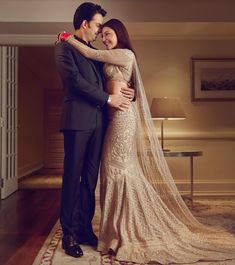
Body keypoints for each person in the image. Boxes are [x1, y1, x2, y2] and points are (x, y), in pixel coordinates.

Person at [58, 19, 235, 264]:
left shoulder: (124, 53)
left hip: (121, 118)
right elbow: (103, 80)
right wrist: (129, 91)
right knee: (112, 173)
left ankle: (127, 230)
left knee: (116, 171)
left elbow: (90, 52)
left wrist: (66, 37)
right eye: (103, 34)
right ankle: (114, 231)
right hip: (109, 119)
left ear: (119, 34)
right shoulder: (109, 57)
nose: (105, 38)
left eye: (108, 33)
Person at [54, 3, 134, 258]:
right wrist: (109, 99)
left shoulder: (96, 52)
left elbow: (114, 79)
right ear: (85, 23)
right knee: (73, 178)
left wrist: (128, 93)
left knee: (90, 179)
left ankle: (85, 229)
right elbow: (75, 82)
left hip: (101, 123)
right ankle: (69, 233)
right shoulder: (63, 48)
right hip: (77, 121)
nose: (100, 31)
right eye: (98, 25)